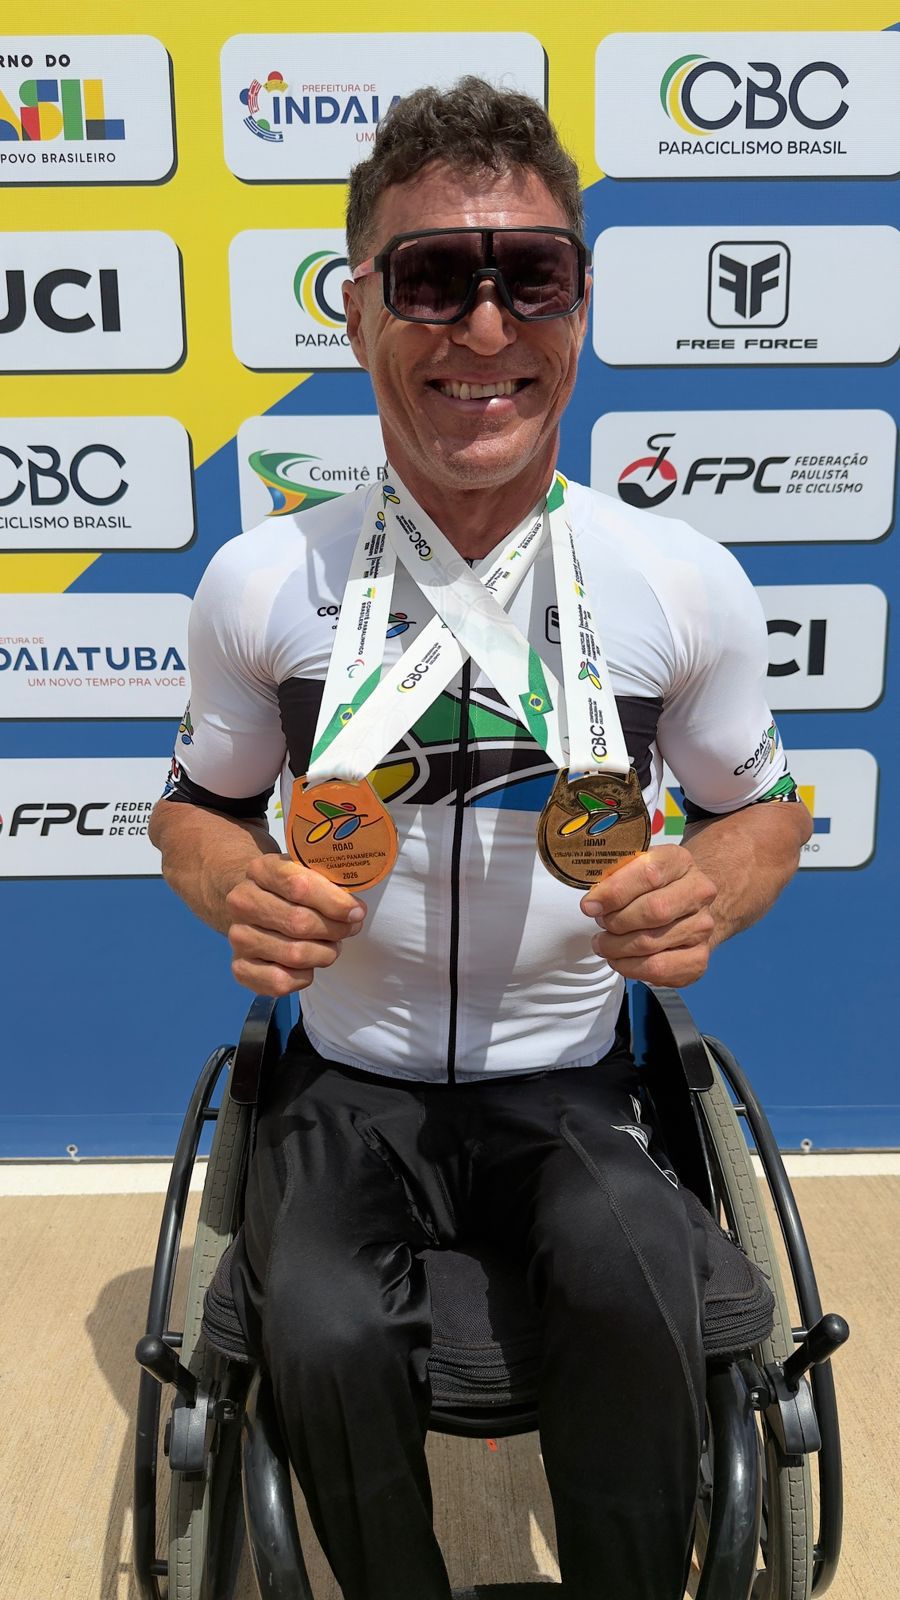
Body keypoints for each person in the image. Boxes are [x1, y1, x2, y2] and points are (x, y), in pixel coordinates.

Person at [149, 77, 811, 1600]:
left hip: (572, 1076)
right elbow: (193, 810)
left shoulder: (677, 581)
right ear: (358, 309)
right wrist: (234, 882)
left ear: (580, 304)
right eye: (435, 278)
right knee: (320, 1330)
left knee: (641, 1288)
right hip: (346, 1079)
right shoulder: (260, 583)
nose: (488, 326)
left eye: (534, 277)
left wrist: (712, 889)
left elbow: (765, 810)